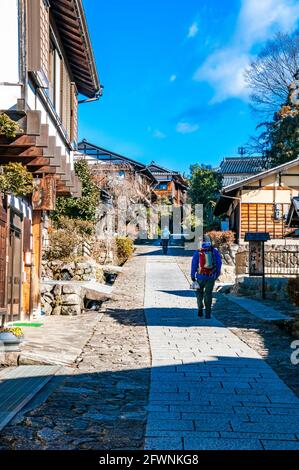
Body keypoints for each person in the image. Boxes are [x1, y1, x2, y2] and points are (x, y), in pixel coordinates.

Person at [191, 236, 222, 319]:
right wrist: (217, 274)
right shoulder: (214, 251)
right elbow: (219, 263)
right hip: (211, 276)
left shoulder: (198, 251)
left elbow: (194, 264)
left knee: (199, 292)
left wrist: (192, 276)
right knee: (208, 294)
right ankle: (208, 313)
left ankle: (200, 307)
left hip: (200, 276)